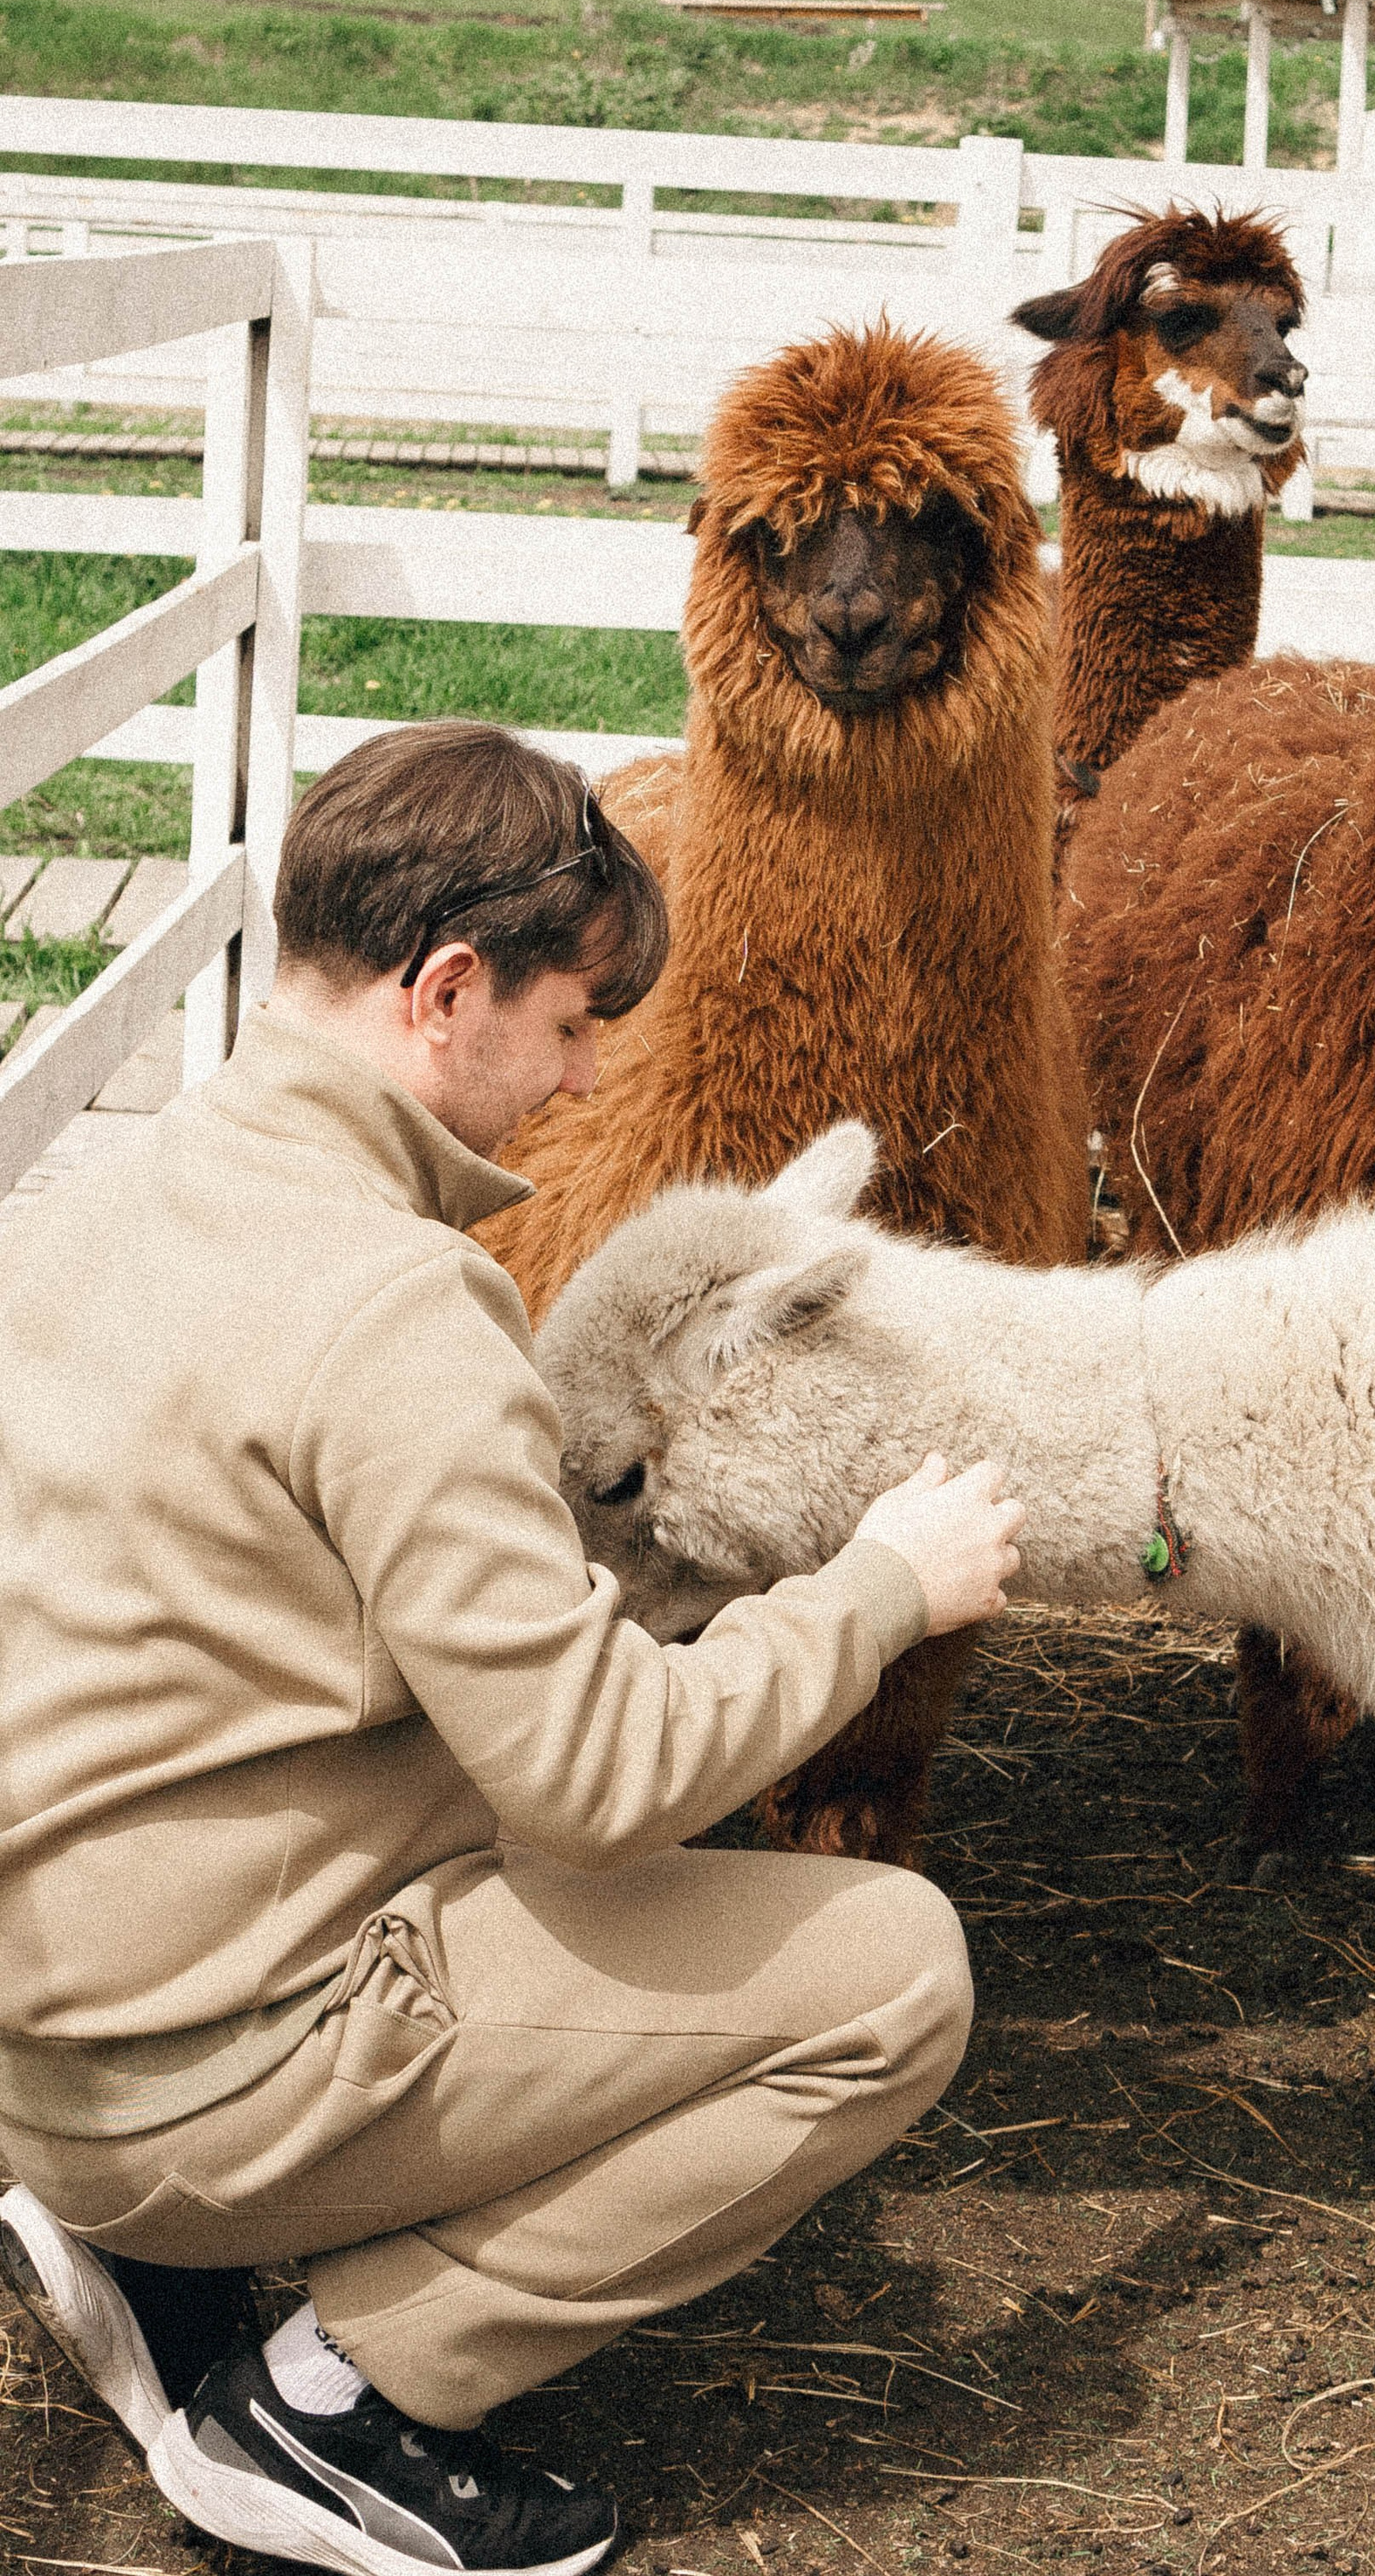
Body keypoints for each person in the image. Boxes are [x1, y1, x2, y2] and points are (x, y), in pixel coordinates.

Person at [0, 722, 1014, 2576]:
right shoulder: (400, 1306)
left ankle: (152, 2256)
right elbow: (595, 1777)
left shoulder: (95, 1203)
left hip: (48, 2042)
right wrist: (874, 1590)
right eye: (569, 1020)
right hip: (211, 2077)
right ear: (446, 989)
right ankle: (340, 2405)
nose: (585, 1069)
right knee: (892, 1973)